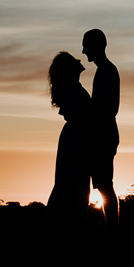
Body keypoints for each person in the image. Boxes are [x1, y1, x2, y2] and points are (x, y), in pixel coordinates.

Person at [44, 51, 92, 229]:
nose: (80, 59)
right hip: (75, 141)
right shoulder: (74, 91)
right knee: (72, 187)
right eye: (74, 61)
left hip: (74, 139)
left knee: (72, 187)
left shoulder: (73, 89)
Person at [82, 28, 120, 229]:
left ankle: (113, 229)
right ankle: (110, 228)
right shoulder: (104, 70)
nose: (83, 51)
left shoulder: (106, 70)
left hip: (103, 137)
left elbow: (108, 108)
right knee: (103, 186)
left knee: (105, 187)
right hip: (103, 135)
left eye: (86, 46)